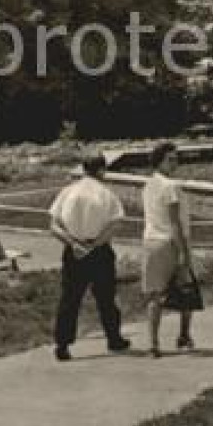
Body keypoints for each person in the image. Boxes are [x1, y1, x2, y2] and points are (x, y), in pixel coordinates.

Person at [48, 152, 131, 361]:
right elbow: (115, 224)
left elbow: (54, 225)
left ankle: (62, 343)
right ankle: (113, 338)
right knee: (106, 297)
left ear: (83, 169)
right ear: (102, 170)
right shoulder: (106, 194)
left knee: (70, 298)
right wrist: (95, 243)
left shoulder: (67, 192)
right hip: (98, 249)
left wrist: (72, 243)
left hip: (73, 248)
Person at [141, 141, 195, 358]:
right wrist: (183, 251)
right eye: (170, 160)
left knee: (155, 294)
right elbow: (175, 222)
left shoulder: (149, 185)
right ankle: (184, 335)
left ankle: (153, 344)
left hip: (151, 241)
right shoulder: (170, 186)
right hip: (169, 242)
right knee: (187, 288)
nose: (175, 163)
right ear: (159, 161)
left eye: (176, 159)